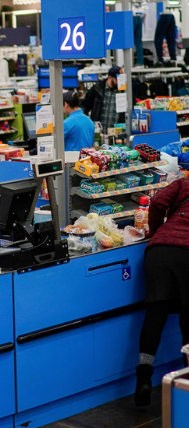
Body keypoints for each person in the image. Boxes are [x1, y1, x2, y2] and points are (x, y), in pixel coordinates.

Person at [134, 178, 189, 407]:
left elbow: (157, 202)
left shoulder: (183, 183)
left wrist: (158, 230)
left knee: (155, 316)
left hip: (160, 252)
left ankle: (144, 379)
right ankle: (186, 380)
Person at [82, 66, 125, 133]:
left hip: (118, 133)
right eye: (117, 80)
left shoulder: (124, 92)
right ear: (110, 77)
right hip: (98, 133)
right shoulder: (97, 89)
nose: (120, 82)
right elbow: (85, 106)